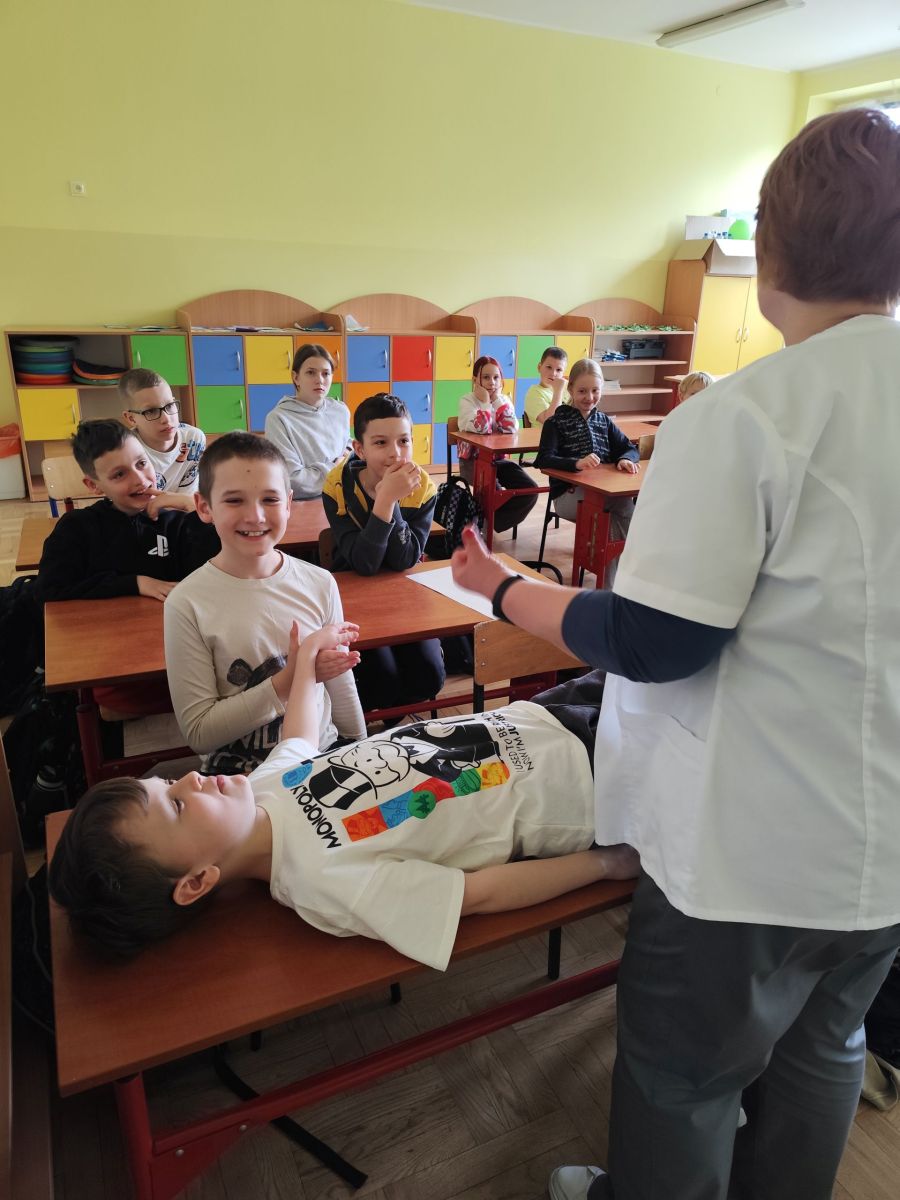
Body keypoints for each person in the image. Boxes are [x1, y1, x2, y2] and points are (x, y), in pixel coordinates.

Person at [450, 108, 900, 1200]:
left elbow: (655, 639)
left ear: (768, 258)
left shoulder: (746, 417)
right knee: (825, 1047)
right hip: (885, 845)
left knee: (684, 1073)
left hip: (752, 851)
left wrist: (503, 588)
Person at [48, 643, 638, 967]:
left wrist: (306, 663)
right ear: (196, 881)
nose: (191, 779)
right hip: (587, 781)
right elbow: (477, 894)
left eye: (168, 783)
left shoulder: (263, 791)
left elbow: (299, 737)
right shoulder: (323, 884)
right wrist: (605, 865)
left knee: (655, 661)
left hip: (538, 716)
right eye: (176, 806)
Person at [164, 432, 365, 775]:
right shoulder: (187, 603)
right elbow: (199, 733)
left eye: (270, 499)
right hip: (240, 775)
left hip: (321, 755)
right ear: (204, 507)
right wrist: (292, 678)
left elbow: (339, 681)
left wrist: (359, 746)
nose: (255, 516)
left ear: (288, 503)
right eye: (234, 500)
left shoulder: (320, 582)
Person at [322, 392, 445, 712]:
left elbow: (405, 560)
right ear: (359, 448)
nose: (395, 453)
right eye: (380, 443)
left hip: (405, 593)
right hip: (354, 593)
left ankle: (395, 713)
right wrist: (386, 500)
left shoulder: (423, 488)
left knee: (428, 676)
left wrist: (391, 500)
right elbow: (364, 564)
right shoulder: (337, 487)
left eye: (404, 441)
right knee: (381, 680)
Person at [36, 418, 218, 605]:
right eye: (119, 474)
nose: (140, 480)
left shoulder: (177, 522)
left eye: (141, 463)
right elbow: (49, 589)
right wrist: (134, 583)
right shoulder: (76, 528)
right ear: (93, 485)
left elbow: (219, 574)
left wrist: (194, 509)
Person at [457, 355, 537, 533]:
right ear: (475, 380)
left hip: (498, 460)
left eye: (496, 377)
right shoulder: (467, 401)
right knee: (494, 493)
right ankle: (485, 524)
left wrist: (498, 401)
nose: (491, 382)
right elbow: (483, 428)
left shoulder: (504, 401)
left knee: (530, 490)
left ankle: (492, 523)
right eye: (486, 377)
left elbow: (511, 427)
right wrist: (486, 403)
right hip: (473, 463)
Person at [263, 343, 351, 499]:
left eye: (326, 373)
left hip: (345, 497)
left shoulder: (340, 410)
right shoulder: (278, 419)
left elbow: (348, 447)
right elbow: (292, 481)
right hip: (306, 503)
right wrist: (336, 468)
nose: (320, 380)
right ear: (296, 377)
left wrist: (349, 453)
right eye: (311, 372)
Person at [119, 368, 205, 493]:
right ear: (131, 418)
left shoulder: (194, 439)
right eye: (151, 411)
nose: (166, 419)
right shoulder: (125, 450)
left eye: (169, 405)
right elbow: (138, 502)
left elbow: (189, 498)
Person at [524, 345, 568, 426]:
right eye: (549, 367)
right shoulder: (534, 393)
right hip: (544, 434)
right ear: (539, 367)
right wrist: (558, 391)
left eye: (559, 370)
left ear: (563, 373)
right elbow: (551, 422)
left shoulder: (567, 388)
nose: (553, 373)